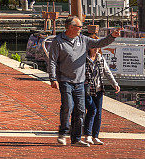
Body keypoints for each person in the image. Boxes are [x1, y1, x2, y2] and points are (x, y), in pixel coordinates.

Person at [48, 16, 121, 147]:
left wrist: (112, 36)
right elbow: (52, 61)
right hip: (65, 80)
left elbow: (100, 43)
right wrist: (53, 78)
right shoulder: (58, 41)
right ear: (70, 27)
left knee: (81, 110)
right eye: (79, 27)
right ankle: (63, 133)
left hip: (80, 82)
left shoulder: (83, 40)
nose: (81, 29)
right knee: (68, 106)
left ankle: (76, 139)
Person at [83, 36, 120, 145]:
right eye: (93, 47)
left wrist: (115, 84)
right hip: (87, 89)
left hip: (98, 89)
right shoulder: (83, 58)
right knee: (92, 110)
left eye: (98, 47)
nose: (95, 49)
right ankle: (88, 135)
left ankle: (95, 136)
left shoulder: (100, 58)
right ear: (89, 47)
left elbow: (107, 72)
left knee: (98, 113)